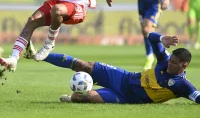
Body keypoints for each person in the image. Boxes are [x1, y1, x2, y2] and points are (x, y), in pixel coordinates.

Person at [23, 32, 200, 104]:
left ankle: (73, 98)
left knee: (83, 97)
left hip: (125, 97)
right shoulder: (164, 59)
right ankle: (37, 55)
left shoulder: (182, 86)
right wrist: (162, 39)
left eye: (175, 63)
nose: (170, 63)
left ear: (184, 66)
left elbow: (197, 97)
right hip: (123, 78)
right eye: (172, 60)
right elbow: (150, 37)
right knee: (84, 65)